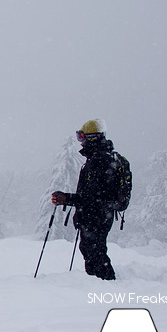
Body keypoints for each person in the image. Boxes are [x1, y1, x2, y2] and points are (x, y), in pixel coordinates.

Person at [52, 119, 118, 281]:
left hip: (96, 215)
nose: (80, 141)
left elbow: (91, 198)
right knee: (92, 250)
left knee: (94, 251)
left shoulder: (99, 161)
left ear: (93, 137)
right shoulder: (100, 159)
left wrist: (66, 199)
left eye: (82, 136)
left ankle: (105, 284)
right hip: (100, 214)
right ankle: (99, 283)